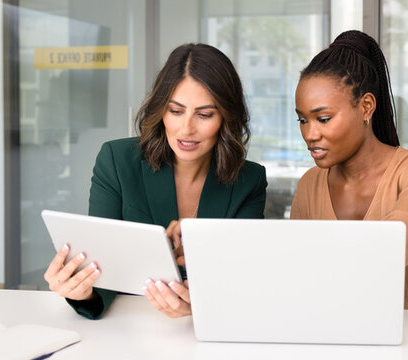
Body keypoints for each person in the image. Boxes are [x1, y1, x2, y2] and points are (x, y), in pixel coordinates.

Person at [43, 43, 267, 320]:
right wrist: (80, 291)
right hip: (125, 326)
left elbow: (243, 280)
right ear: (161, 110)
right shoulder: (117, 160)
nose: (187, 129)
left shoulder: (250, 180)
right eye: (175, 111)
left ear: (226, 119)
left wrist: (199, 307)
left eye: (205, 114)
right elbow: (102, 269)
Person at [291, 30, 408, 311]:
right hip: (339, 337)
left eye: (324, 118)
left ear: (366, 106)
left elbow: (397, 241)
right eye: (303, 120)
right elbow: (298, 276)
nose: (310, 133)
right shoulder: (310, 184)